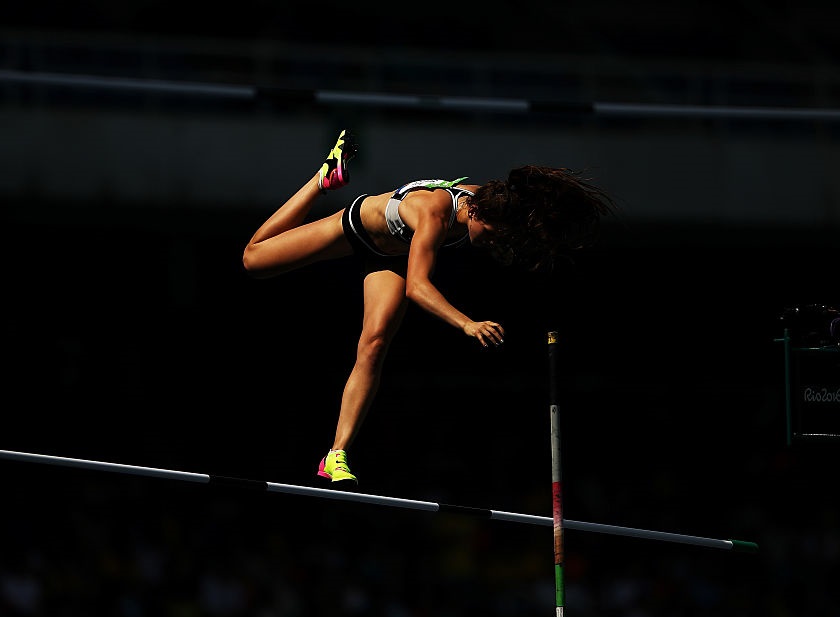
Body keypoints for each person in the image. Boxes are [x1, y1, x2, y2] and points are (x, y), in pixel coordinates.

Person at [242, 130, 613, 486]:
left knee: (373, 344)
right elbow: (418, 288)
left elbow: (524, 206)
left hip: (393, 256)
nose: (492, 243)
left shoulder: (491, 200)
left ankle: (335, 454)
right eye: (494, 234)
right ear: (480, 214)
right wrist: (467, 324)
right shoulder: (435, 214)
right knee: (254, 261)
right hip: (360, 231)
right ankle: (322, 180)